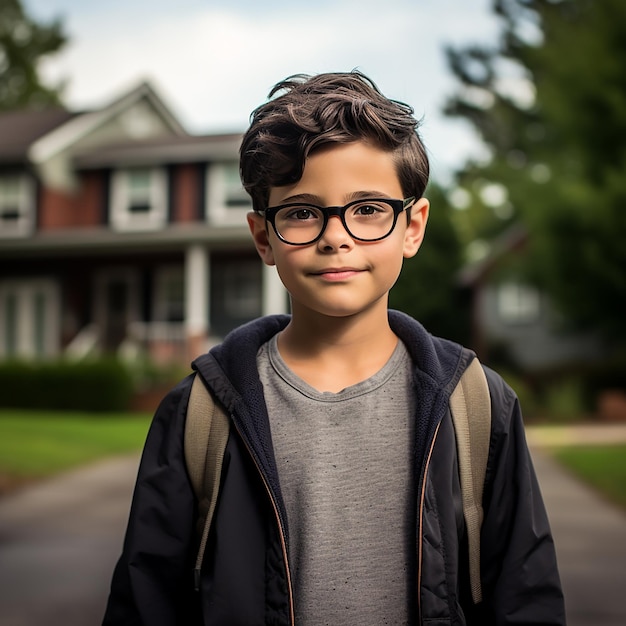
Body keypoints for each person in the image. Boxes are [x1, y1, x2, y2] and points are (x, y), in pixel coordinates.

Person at [103, 71, 565, 625]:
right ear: (262, 238)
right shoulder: (199, 412)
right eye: (301, 211)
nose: (336, 235)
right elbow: (146, 602)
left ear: (412, 227)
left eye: (368, 208)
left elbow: (526, 598)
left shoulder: (477, 404)